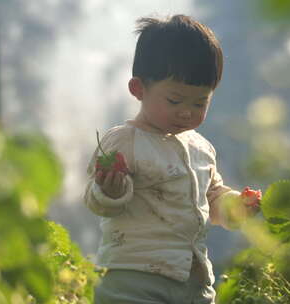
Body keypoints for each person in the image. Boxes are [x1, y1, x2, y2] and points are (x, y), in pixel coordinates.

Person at [83, 14, 260, 304]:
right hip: (134, 279)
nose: (187, 112)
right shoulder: (123, 141)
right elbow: (96, 200)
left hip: (195, 281)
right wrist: (110, 191)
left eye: (200, 102)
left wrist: (235, 207)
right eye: (175, 101)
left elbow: (212, 199)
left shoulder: (202, 148)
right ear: (139, 89)